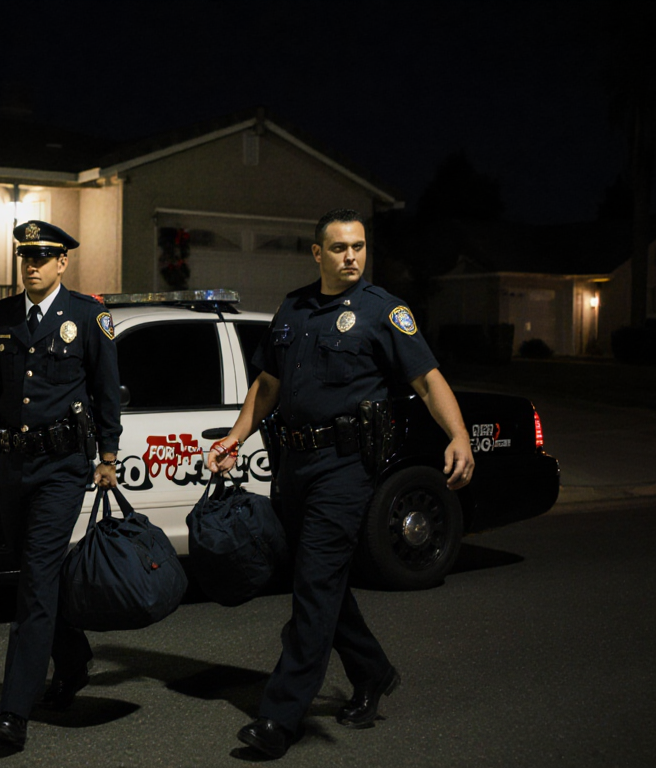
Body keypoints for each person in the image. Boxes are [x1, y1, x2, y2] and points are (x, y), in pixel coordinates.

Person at [206, 208, 474, 759]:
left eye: (358, 246)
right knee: (315, 578)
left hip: (346, 467)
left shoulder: (383, 312)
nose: (351, 256)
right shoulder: (294, 307)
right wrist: (236, 437)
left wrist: (459, 436)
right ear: (317, 253)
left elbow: (427, 378)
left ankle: (281, 717)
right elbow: (268, 383)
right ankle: (373, 671)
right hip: (293, 465)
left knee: (314, 586)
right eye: (339, 248)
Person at [0, 220, 123, 750]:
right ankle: (75, 660)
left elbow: (107, 390)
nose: (32, 264)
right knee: (40, 572)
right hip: (12, 467)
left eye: (44, 256)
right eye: (25, 256)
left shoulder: (87, 315)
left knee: (34, 583)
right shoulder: (1, 316)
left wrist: (108, 453)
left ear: (63, 263)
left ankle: (13, 712)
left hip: (62, 469)